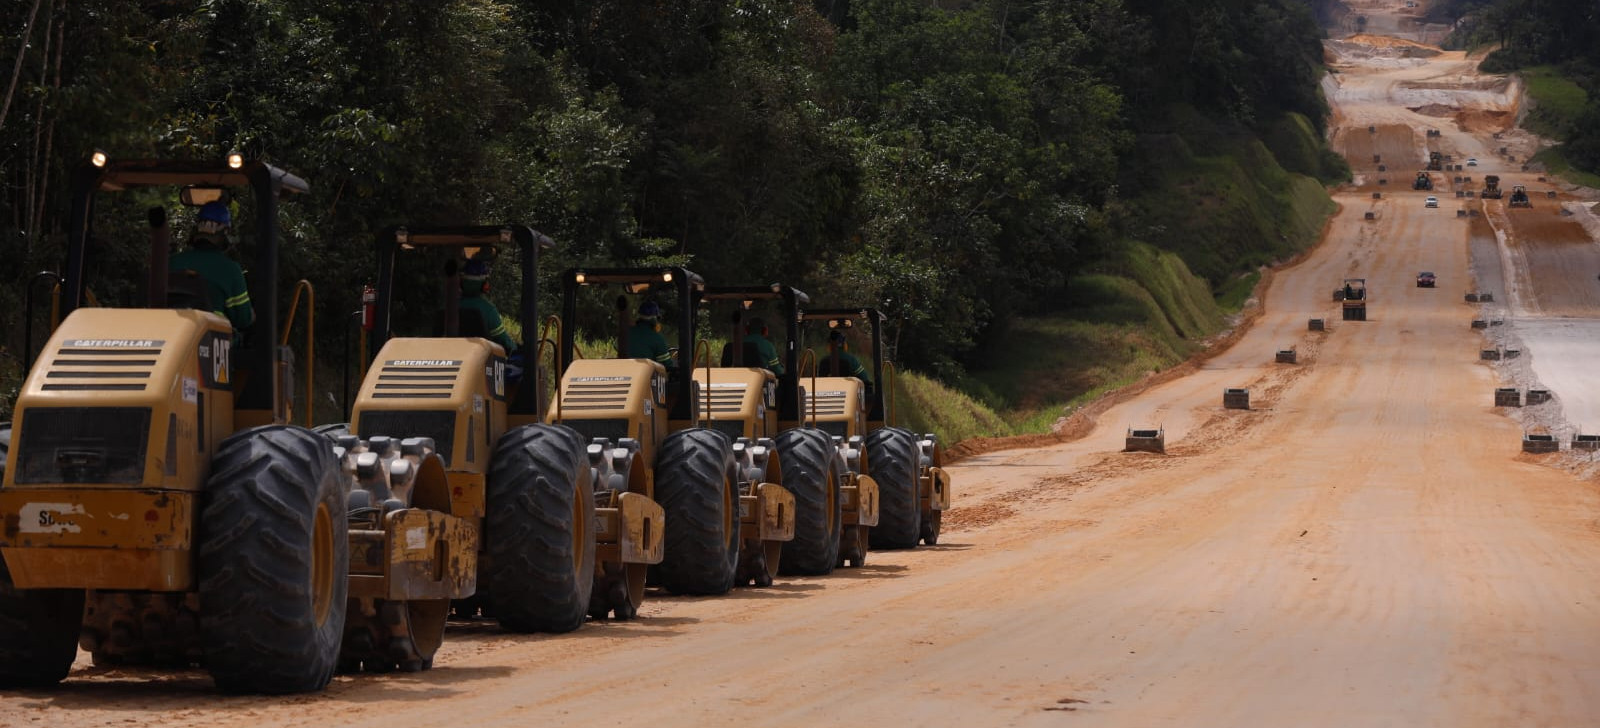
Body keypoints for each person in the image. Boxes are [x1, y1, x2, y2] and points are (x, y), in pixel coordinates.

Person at [169, 201, 253, 336]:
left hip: (170, 334)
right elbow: (243, 319)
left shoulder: (172, 262)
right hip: (215, 342)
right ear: (225, 232)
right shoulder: (230, 269)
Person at [458, 258, 518, 355]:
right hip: (483, 361)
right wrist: (515, 348)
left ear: (461, 283)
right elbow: (503, 340)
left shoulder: (448, 307)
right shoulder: (488, 310)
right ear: (484, 285)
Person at [626, 300, 676, 368]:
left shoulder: (626, 333)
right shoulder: (657, 338)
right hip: (646, 377)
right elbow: (667, 365)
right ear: (655, 319)